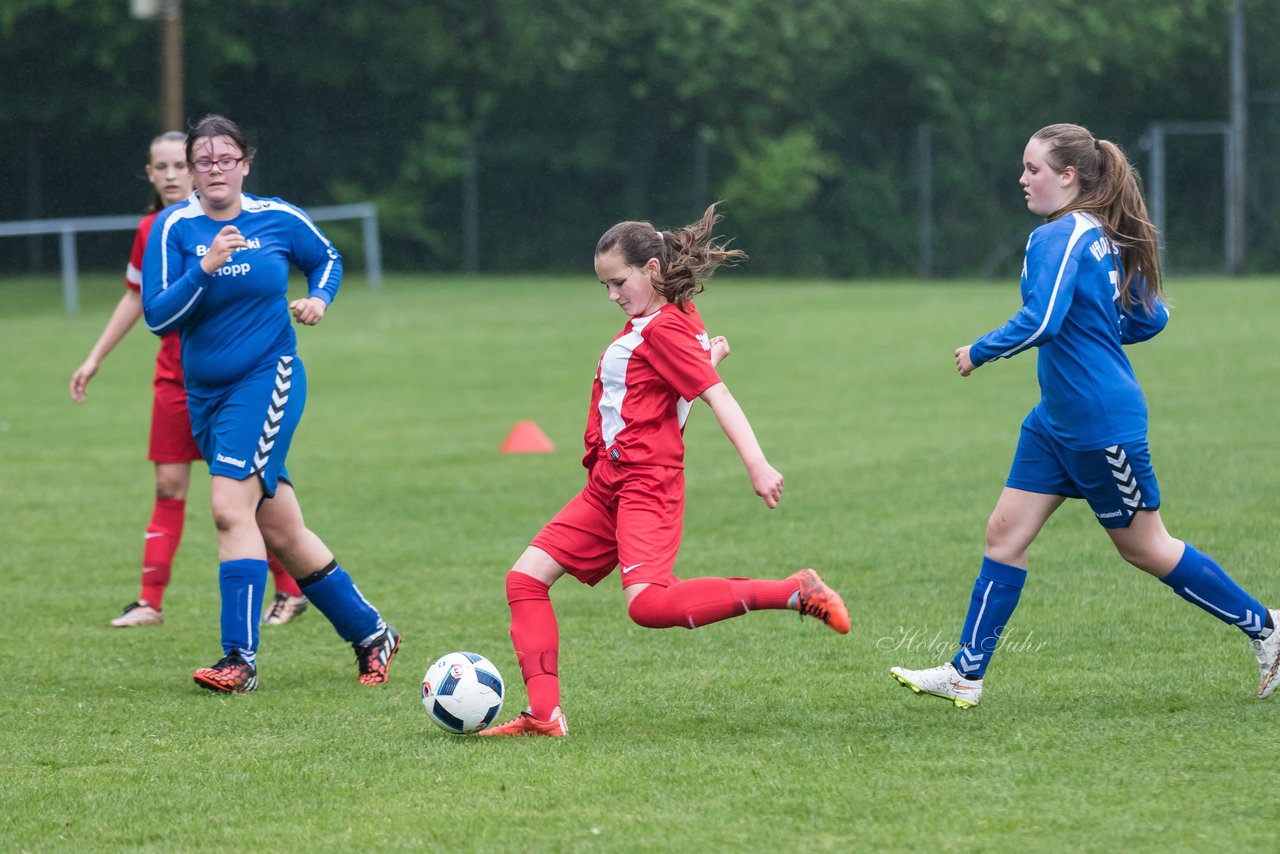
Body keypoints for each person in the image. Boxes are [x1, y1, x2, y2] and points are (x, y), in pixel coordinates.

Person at [889, 123, 1279, 708]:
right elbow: (1150, 318)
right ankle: (965, 674)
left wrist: (979, 351)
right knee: (1004, 534)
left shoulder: (1058, 238)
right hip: (1055, 422)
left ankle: (1267, 628)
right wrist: (1099, 329)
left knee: (1145, 546)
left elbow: (1042, 320)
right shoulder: (1096, 233)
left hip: (1100, 426)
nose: (1023, 178)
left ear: (1068, 176)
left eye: (1034, 169)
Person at [479, 204, 849, 737]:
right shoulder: (663, 321)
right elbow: (666, 393)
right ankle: (543, 716)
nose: (612, 295)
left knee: (649, 605)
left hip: (646, 486)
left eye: (618, 281)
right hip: (607, 484)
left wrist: (757, 463)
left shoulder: (663, 330)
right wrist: (708, 358)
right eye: (604, 285)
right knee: (525, 580)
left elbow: (716, 397)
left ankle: (795, 590)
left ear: (651, 269)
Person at [141, 114, 398, 693]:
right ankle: (372, 633)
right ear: (190, 169)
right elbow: (158, 315)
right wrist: (203, 269)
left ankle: (239, 658)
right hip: (204, 397)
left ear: (244, 164)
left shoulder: (276, 217)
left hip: (267, 378)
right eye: (201, 161)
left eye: (224, 159)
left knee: (230, 507)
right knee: (279, 527)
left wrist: (319, 299)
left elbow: (327, 258)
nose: (213, 169)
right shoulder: (173, 229)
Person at [71, 131, 308, 629]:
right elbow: (140, 300)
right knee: (170, 486)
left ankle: (289, 590)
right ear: (151, 174)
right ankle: (150, 601)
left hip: (242, 382)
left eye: (183, 164)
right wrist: (95, 357)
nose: (175, 174)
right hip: (177, 382)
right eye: (163, 167)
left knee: (243, 498)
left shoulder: (233, 221)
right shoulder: (155, 229)